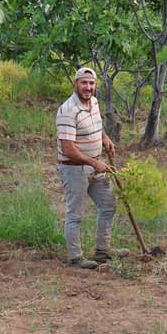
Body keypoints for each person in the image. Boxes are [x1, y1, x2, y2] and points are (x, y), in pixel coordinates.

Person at [55, 66, 117, 269]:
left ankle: (102, 251)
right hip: (74, 168)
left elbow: (96, 125)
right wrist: (94, 163)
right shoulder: (67, 110)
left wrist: (105, 138)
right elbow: (68, 149)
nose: (88, 87)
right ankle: (75, 258)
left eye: (91, 83)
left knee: (108, 205)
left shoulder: (94, 103)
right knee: (76, 214)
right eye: (84, 83)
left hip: (95, 166)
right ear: (75, 84)